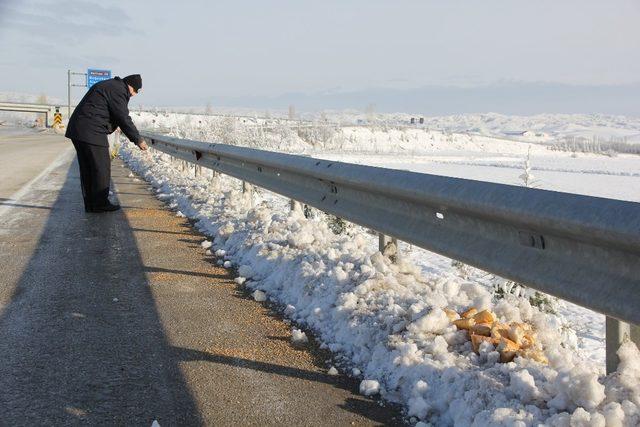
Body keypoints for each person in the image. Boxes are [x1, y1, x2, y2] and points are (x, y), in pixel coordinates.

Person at [65, 74, 148, 212]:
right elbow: (122, 117)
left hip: (79, 129)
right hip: (91, 130)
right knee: (102, 167)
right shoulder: (119, 90)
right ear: (130, 86)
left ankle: (91, 204)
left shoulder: (111, 86)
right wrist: (138, 139)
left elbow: (107, 112)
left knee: (88, 169)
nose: (133, 95)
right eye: (135, 91)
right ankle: (100, 203)